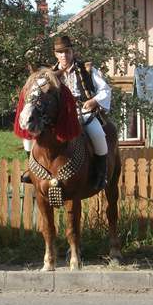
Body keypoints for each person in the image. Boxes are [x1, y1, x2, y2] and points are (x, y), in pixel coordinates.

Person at [21, 35, 111, 191]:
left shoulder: (87, 69)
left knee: (98, 134)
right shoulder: (49, 74)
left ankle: (100, 174)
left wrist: (94, 101)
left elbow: (105, 90)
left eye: (67, 51)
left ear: (72, 52)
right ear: (56, 54)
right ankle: (31, 171)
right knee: (28, 137)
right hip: (59, 116)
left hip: (83, 112)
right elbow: (38, 91)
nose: (64, 55)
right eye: (60, 52)